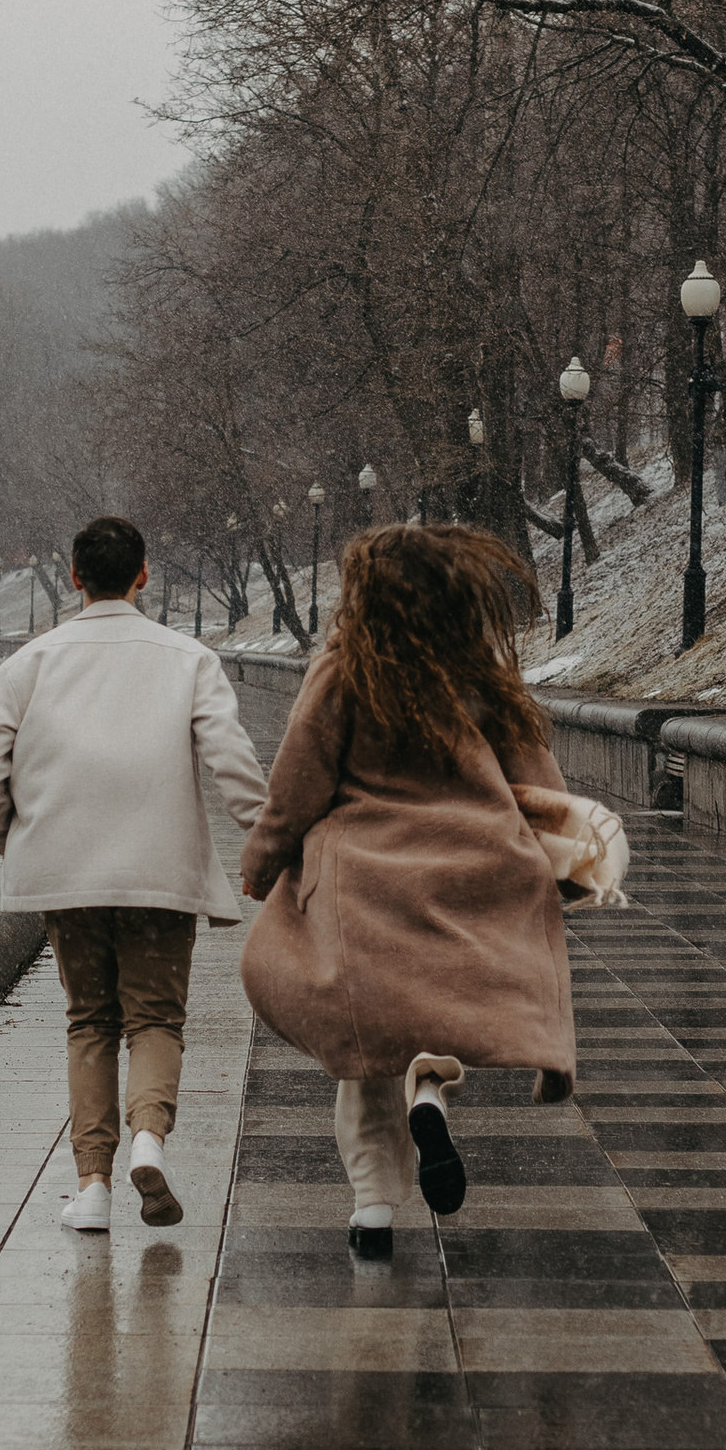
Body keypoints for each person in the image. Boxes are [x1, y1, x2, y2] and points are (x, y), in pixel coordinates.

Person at [239, 523, 578, 1261]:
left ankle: (373, 1211)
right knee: (437, 1011)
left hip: (364, 879)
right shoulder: (478, 675)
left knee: (365, 1040)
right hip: (470, 867)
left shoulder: (342, 671)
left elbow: (297, 784)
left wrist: (264, 864)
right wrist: (567, 860)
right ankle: (431, 1093)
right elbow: (536, 777)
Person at [0, 515, 266, 1232]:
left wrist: (4, 833)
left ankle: (93, 1188)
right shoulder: (187, 658)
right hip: (159, 873)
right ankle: (150, 1140)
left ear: (73, 577)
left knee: (90, 1022)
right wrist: (269, 839)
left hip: (65, 872)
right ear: (144, 574)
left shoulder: (30, 663)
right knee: (156, 1018)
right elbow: (231, 759)